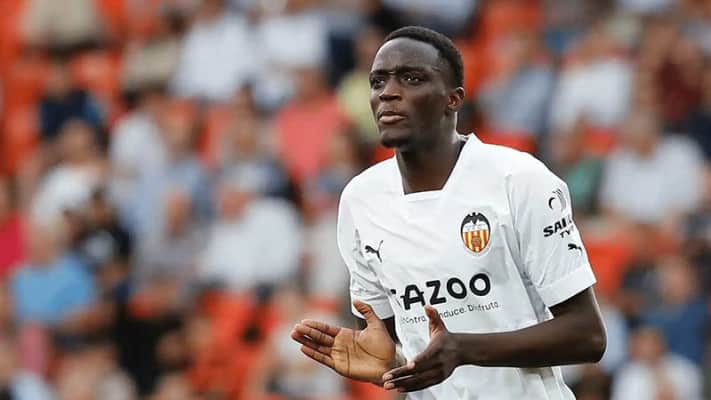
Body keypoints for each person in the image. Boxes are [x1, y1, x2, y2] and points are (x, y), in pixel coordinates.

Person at [291, 26, 606, 399]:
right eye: (378, 82)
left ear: (453, 99)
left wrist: (464, 349)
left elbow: (587, 335)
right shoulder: (361, 200)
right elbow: (398, 351)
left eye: (411, 78)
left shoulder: (519, 180)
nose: (388, 92)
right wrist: (389, 364)